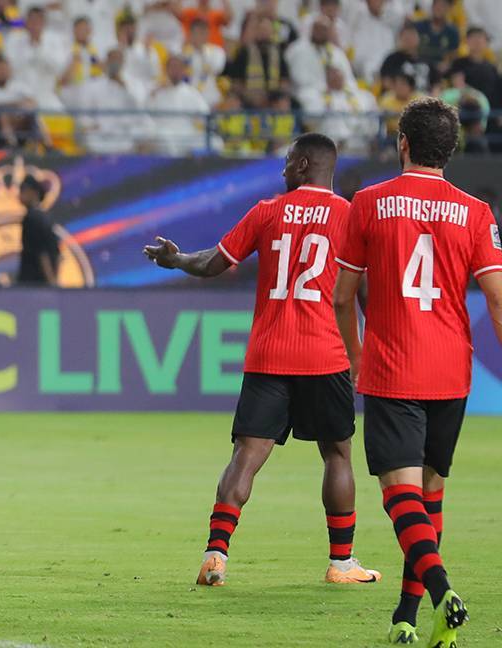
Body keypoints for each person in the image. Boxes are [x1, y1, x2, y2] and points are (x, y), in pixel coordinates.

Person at [143, 133, 382, 589]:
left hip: (269, 354)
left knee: (246, 455)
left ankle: (215, 555)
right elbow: (363, 292)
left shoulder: (267, 211)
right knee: (336, 454)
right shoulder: (351, 217)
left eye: (289, 160)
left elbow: (212, 263)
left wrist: (177, 260)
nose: (283, 168)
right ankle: (342, 563)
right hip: (325, 354)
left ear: (305, 164)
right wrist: (370, 350)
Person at [334, 97, 502, 646]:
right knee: (431, 494)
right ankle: (407, 619)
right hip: (451, 370)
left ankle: (442, 592)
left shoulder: (368, 202)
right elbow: (498, 299)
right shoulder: (477, 212)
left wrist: (357, 356)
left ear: (402, 143)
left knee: (399, 495)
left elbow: (342, 296)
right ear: (450, 150)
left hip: (392, 367)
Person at [16, 175, 59, 286]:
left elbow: (42, 252)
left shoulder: (32, 218)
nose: (19, 195)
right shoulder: (44, 217)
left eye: (23, 190)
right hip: (39, 282)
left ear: (34, 192)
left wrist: (51, 281)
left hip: (33, 282)